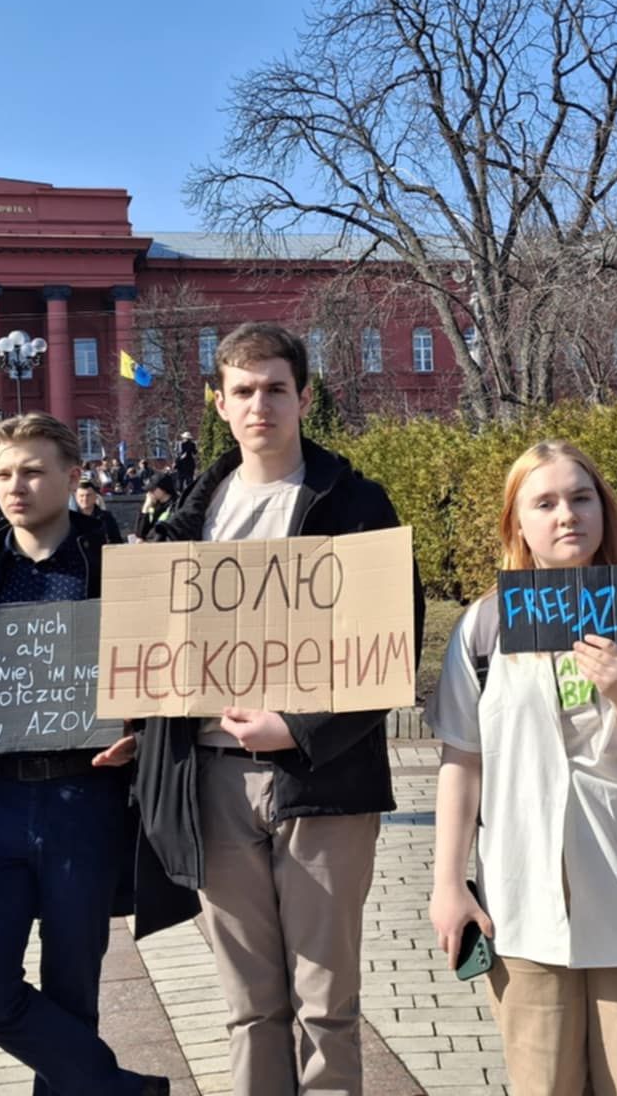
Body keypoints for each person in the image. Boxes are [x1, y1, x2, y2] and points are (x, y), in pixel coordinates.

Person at [135, 324, 421, 1096]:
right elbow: (149, 639)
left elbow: (393, 642)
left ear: (303, 396)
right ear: (219, 404)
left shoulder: (353, 503)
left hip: (321, 780)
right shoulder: (189, 517)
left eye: (275, 388)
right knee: (249, 1006)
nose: (260, 404)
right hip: (211, 781)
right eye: (243, 390)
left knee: (326, 1005)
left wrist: (297, 729)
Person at [0, 413, 189, 1096]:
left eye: (31, 470)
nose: (14, 486)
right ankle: (126, 1091)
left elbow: (173, 684)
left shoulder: (121, 576)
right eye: (1, 474)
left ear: (73, 477)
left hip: (84, 799)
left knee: (73, 992)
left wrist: (146, 737)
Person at [426, 440, 617, 1095]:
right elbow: (462, 759)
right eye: (544, 503)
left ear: (604, 510)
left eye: (581, 498)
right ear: (517, 523)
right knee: (542, 1083)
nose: (567, 515)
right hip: (522, 900)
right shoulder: (485, 628)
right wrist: (447, 884)